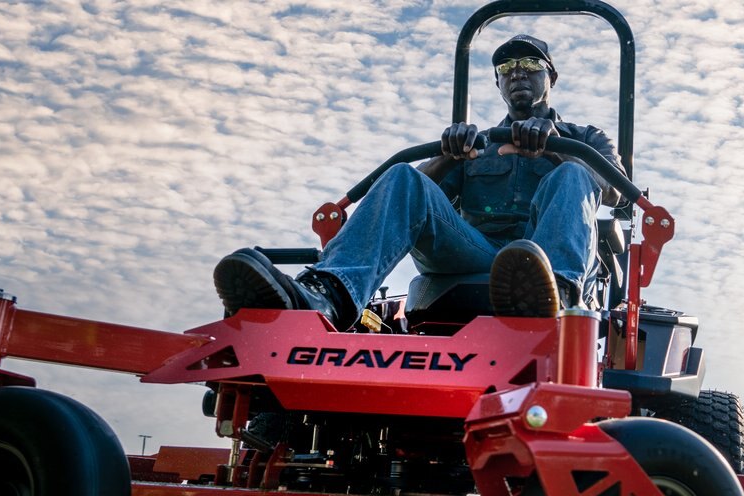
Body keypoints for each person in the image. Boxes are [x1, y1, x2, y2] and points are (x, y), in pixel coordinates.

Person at [214, 34, 626, 326]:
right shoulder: (478, 144)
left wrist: (555, 150)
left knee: (574, 171)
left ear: (551, 77)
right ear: (499, 83)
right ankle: (328, 296)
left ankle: (554, 298)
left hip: (545, 260)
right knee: (402, 176)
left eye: (531, 65)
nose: (518, 73)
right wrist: (447, 156)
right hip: (477, 252)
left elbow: (615, 192)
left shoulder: (587, 139)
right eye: (506, 68)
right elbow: (418, 202)